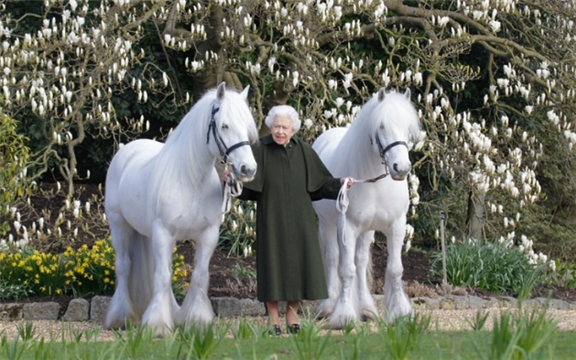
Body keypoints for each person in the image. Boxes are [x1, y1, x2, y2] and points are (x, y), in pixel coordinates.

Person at [231, 105, 354, 335]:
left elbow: (320, 184)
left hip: (301, 222)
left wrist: (340, 183)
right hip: (271, 219)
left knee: (299, 268)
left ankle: (293, 316)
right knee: (272, 268)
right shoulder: (260, 149)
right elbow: (249, 189)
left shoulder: (304, 151)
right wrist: (234, 182)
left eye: (285, 127)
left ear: (293, 129)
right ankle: (273, 319)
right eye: (276, 126)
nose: (280, 131)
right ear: (270, 126)